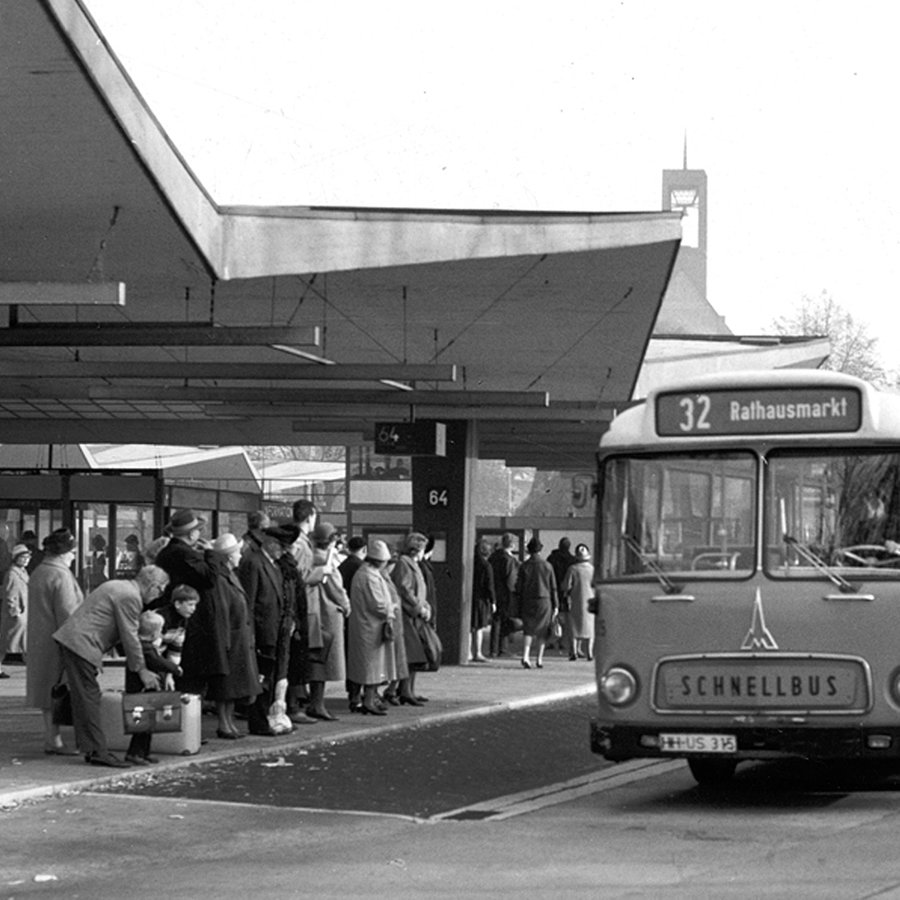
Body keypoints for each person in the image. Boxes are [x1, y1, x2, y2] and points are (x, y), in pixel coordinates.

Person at [53, 564, 169, 767]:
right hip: (82, 645)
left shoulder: (118, 586)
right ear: (152, 585)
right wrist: (141, 670)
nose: (160, 595)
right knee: (88, 698)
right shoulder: (130, 597)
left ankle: (91, 748)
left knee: (84, 697)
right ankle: (98, 751)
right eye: (161, 589)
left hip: (75, 642)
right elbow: (130, 636)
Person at [25, 527, 83, 755]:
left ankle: (52, 737)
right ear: (64, 553)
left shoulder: (40, 571)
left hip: (41, 639)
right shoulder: (60, 575)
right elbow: (68, 613)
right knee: (58, 691)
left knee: (47, 693)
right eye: (73, 552)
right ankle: (55, 740)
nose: (74, 556)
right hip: (59, 641)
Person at [238, 524, 294, 736]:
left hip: (274, 629)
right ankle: (259, 722)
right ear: (270, 543)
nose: (284, 551)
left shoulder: (273, 564)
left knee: (270, 678)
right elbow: (249, 602)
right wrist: (250, 633)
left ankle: (269, 717)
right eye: (281, 546)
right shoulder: (253, 563)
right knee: (262, 679)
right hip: (261, 632)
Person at [206, 533, 261, 739]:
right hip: (231, 637)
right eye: (237, 552)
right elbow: (222, 611)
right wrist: (226, 640)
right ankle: (223, 723)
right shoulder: (221, 579)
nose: (240, 555)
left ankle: (228, 721)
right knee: (226, 686)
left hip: (238, 636)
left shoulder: (230, 575)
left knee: (234, 685)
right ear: (229, 556)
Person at [346, 540, 398, 716]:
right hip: (371, 627)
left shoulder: (366, 573)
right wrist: (392, 608)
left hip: (366, 625)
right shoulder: (370, 576)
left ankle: (362, 699)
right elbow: (378, 604)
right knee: (371, 667)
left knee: (367, 666)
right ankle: (368, 700)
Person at [123, 609, 181, 766]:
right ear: (154, 633)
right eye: (160, 631)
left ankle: (144, 752)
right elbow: (157, 662)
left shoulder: (142, 646)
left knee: (148, 726)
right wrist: (175, 668)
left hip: (142, 692)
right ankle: (135, 752)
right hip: (142, 693)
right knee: (142, 726)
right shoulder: (146, 648)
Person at [307, 521, 351, 720]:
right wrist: (347, 606)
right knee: (323, 662)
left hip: (316, 611)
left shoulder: (311, 556)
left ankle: (313, 702)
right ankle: (317, 704)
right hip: (328, 614)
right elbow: (336, 589)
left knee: (316, 659)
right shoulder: (327, 561)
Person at [387, 532, 432, 705]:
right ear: (416, 550)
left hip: (414, 614)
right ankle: (401, 690)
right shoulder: (405, 565)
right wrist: (419, 607)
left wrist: (424, 605)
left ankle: (407, 689)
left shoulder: (411, 564)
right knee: (410, 654)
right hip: (407, 616)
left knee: (414, 655)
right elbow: (405, 589)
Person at [515, 537, 558, 669]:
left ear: (529, 550)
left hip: (528, 600)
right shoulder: (547, 566)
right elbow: (553, 587)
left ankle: (526, 656)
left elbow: (519, 587)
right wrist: (556, 604)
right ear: (540, 550)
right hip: (544, 600)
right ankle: (539, 659)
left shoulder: (524, 566)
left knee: (528, 629)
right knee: (542, 631)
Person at [339, 536, 368, 711]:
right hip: (359, 618)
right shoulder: (361, 568)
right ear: (364, 549)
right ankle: (357, 695)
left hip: (346, 616)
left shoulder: (342, 566)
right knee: (360, 656)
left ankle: (353, 693)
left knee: (350, 656)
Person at [488, 533, 520, 657]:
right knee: (504, 621)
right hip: (505, 594)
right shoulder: (509, 560)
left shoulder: (493, 557)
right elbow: (511, 579)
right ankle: (502, 648)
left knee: (496, 621)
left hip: (495, 591)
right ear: (511, 545)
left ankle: (493, 649)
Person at [1, 543, 30, 676]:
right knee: (6, 642)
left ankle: (31, 663)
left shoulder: (22, 572)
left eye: (27, 557)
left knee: (21, 641)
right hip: (17, 613)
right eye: (23, 557)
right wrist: (15, 611)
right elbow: (10, 594)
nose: (26, 560)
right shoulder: (13, 574)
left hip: (23, 612)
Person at [562, 543, 595, 661]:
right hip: (590, 600)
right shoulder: (593, 569)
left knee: (574, 627)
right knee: (590, 628)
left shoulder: (572, 569)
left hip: (575, 600)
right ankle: (590, 653)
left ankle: (574, 652)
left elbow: (566, 586)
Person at [547, 537, 577, 654]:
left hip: (553, 590)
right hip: (567, 592)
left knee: (553, 616)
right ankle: (563, 641)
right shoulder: (572, 561)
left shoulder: (552, 558)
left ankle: (552, 639)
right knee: (566, 616)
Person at [469, 538, 495, 663]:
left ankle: (467, 652)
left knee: (469, 627)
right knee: (478, 627)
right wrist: (493, 601)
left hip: (469, 597)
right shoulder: (486, 566)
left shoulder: (470, 562)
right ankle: (477, 652)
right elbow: (489, 585)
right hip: (481, 599)